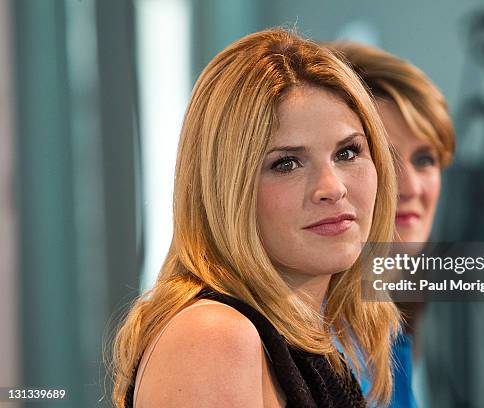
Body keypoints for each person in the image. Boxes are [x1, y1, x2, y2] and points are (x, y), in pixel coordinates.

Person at [110, 29, 403, 408]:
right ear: (225, 190)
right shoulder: (212, 336)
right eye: (286, 163)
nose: (332, 187)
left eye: (347, 153)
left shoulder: (310, 343)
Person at [328, 42, 455, 407]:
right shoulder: (313, 338)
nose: (412, 187)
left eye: (425, 159)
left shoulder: (387, 321)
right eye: (386, 157)